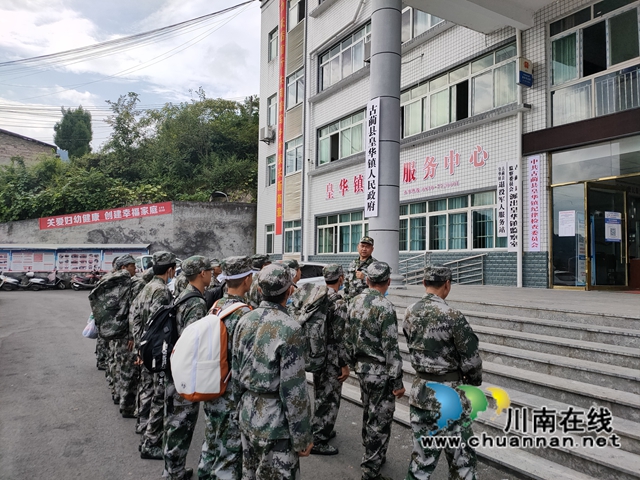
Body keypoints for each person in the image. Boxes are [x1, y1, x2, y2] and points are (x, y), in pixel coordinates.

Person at [232, 264, 313, 479]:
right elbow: (294, 390)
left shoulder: (244, 320)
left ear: (259, 290)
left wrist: (237, 411)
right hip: (275, 423)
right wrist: (302, 436)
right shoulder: (290, 328)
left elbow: (235, 373)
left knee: (249, 473)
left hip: (248, 413)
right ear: (289, 291)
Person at [403, 266, 482, 480]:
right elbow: (471, 359)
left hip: (421, 392)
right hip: (450, 397)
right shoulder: (453, 315)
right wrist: (474, 380)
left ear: (424, 284)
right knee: (462, 461)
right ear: (447, 284)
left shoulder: (410, 311)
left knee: (421, 459)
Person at [346, 262, 404, 480]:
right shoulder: (385, 307)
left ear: (367, 280)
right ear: (388, 281)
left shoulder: (354, 302)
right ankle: (370, 471)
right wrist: (397, 382)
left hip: (362, 369)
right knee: (380, 420)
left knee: (369, 411)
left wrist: (351, 363)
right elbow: (391, 348)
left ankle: (372, 452)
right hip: (380, 372)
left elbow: (347, 336)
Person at [197, 256, 253, 480]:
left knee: (211, 440)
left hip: (211, 384)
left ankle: (204, 475)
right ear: (247, 280)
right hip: (231, 392)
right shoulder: (245, 314)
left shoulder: (215, 306)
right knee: (230, 452)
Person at [163, 256, 211, 480]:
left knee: (173, 421)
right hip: (183, 373)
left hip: (174, 368)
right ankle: (174, 473)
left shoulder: (183, 295)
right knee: (181, 423)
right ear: (202, 273)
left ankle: (171, 469)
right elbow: (191, 341)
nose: (212, 273)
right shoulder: (196, 303)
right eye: (209, 270)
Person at [132, 251, 177, 460]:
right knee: (159, 397)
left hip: (145, 348)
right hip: (155, 352)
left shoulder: (146, 287)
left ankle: (143, 427)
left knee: (147, 389)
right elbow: (160, 327)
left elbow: (135, 317)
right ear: (170, 270)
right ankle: (151, 442)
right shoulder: (161, 292)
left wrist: (139, 347)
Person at [309, 264, 350, 456]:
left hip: (317, 354)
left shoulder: (317, 295)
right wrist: (344, 364)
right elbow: (340, 337)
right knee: (330, 398)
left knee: (320, 394)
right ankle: (319, 439)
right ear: (340, 278)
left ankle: (320, 426)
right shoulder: (339, 302)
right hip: (332, 357)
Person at [343, 236, 377, 300]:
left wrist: (364, 278)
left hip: (366, 302)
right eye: (362, 246)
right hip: (351, 301)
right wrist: (345, 297)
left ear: (372, 249)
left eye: (367, 247)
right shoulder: (353, 263)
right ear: (358, 247)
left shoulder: (375, 265)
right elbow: (346, 283)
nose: (364, 249)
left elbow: (378, 285)